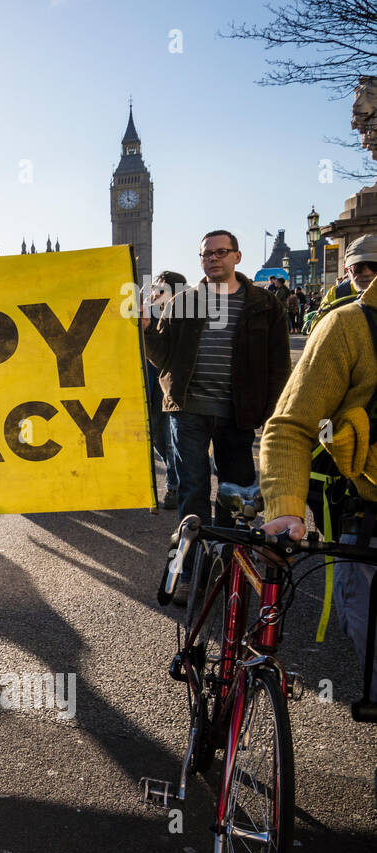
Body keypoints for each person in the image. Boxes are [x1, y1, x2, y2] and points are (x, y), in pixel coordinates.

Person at [143, 229, 291, 604]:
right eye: (206, 254)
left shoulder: (264, 305)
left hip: (237, 413)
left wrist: (274, 414)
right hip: (188, 410)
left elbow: (278, 365)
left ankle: (226, 567)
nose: (213, 258)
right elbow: (161, 356)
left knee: (232, 493)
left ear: (237, 257)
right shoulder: (183, 301)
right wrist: (145, 329)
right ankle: (189, 574)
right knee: (193, 493)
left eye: (221, 252)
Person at [260, 235, 377, 698]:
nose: (366, 272)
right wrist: (286, 509)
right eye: (361, 264)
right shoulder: (348, 326)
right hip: (368, 523)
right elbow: (290, 427)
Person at [144, 271, 184, 508]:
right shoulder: (144, 312)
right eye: (155, 289)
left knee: (169, 437)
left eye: (162, 289)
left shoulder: (180, 316)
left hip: (167, 380)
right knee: (157, 435)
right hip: (147, 379)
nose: (155, 293)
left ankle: (174, 487)